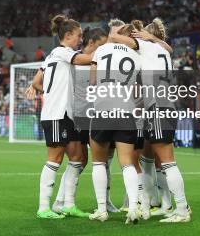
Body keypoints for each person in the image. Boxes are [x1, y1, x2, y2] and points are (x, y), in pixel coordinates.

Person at [25, 14, 95, 219]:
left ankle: (68, 204)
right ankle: (43, 207)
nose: (81, 39)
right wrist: (107, 53)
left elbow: (37, 82)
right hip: (55, 114)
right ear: (68, 35)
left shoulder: (51, 57)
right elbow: (82, 58)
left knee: (78, 158)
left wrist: (48, 88)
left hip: (66, 114)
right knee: (54, 159)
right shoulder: (61, 51)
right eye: (79, 35)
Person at [131, 18, 191, 223]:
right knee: (150, 158)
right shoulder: (163, 51)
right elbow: (168, 47)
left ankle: (182, 209)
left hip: (158, 108)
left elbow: (122, 39)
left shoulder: (147, 47)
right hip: (164, 107)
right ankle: (156, 204)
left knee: (167, 162)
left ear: (147, 37)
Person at [88, 22, 143, 224]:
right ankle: (133, 209)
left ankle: (102, 209)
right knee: (127, 162)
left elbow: (92, 81)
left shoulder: (101, 50)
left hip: (103, 108)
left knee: (99, 162)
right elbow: (139, 91)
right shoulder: (136, 57)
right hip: (126, 111)